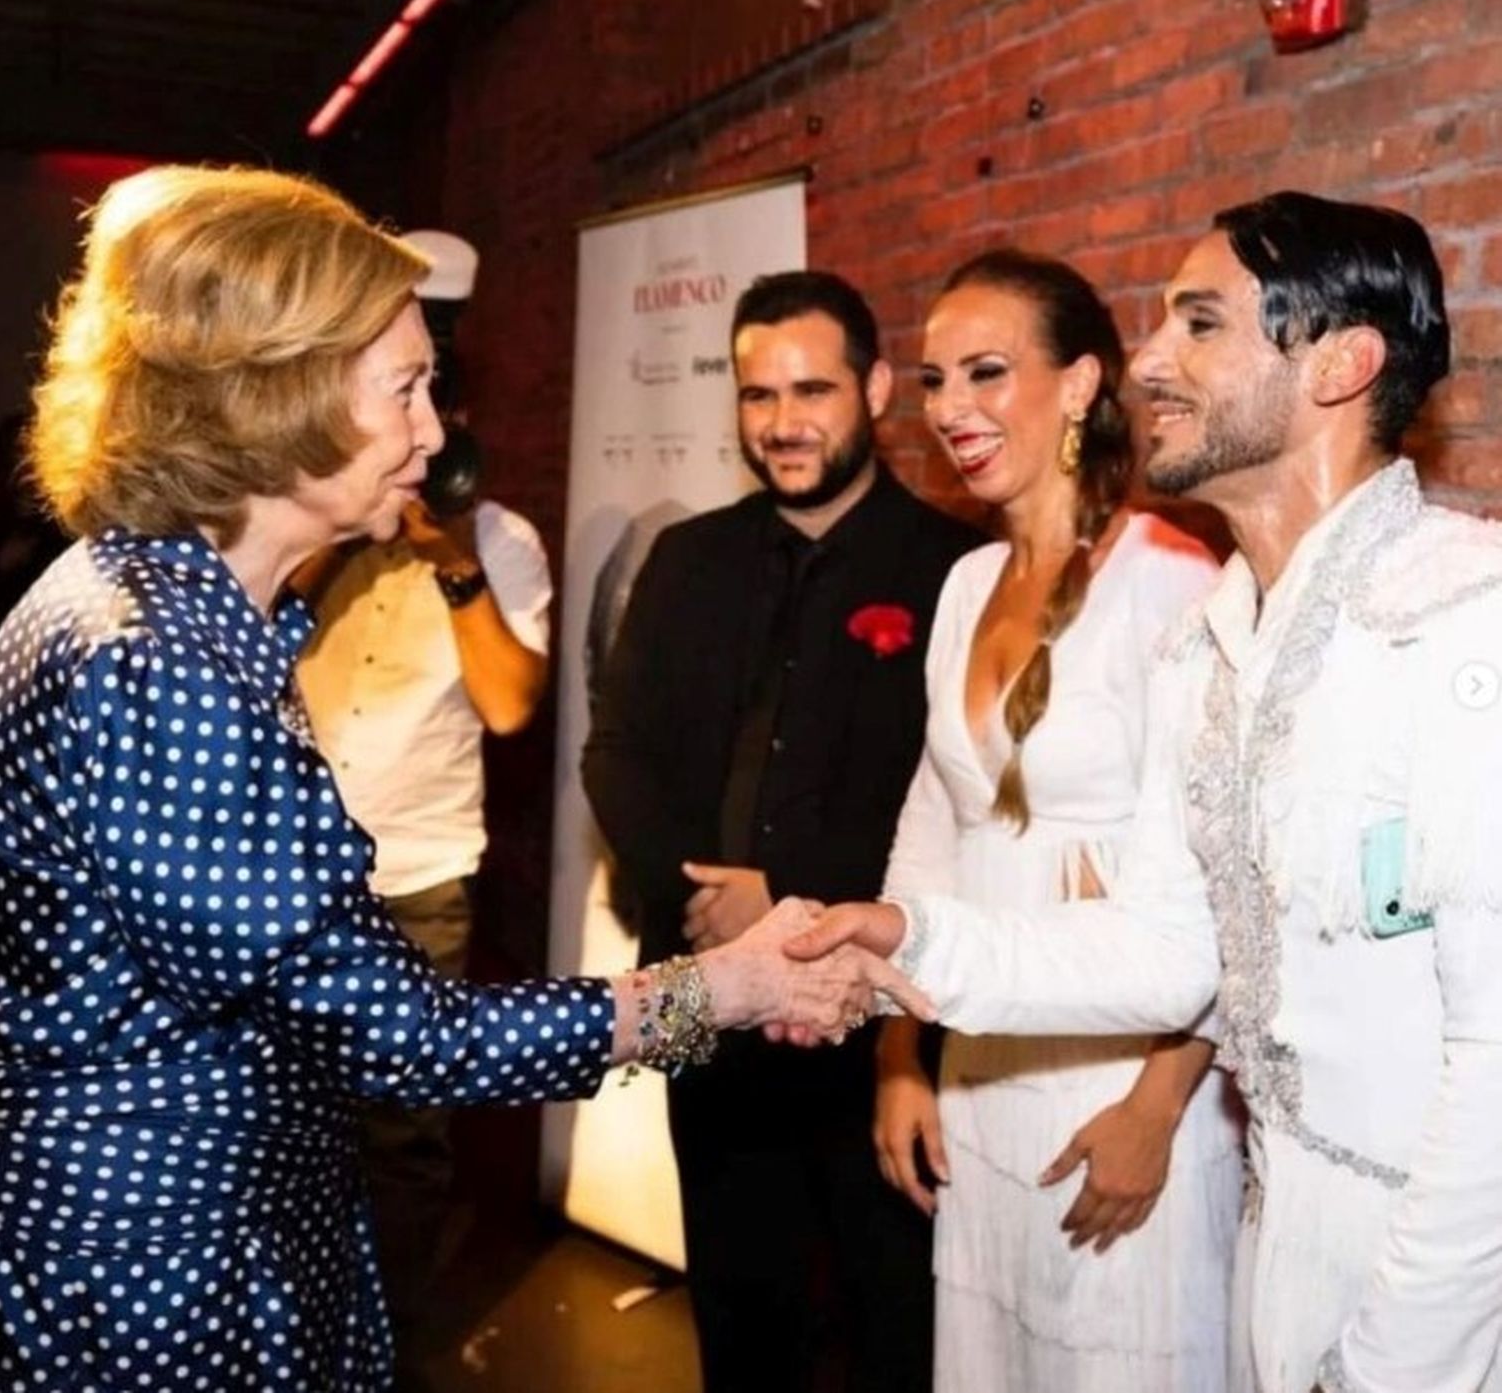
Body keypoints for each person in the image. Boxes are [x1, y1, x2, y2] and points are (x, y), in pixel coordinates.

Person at [0, 165, 923, 1393]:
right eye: (405, 389)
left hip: (192, 1246)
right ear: (277, 395)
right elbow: (405, 1037)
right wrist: (725, 988)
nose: (435, 434)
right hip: (148, 1288)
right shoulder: (158, 661)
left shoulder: (172, 610)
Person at [790, 192, 1502, 1393]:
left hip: (1437, 1293)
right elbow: (1168, 953)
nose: (1148, 363)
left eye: (1199, 325)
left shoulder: (1463, 616)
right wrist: (907, 941)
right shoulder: (1210, 644)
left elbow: (1493, 1071)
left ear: (1340, 365)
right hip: (1275, 1247)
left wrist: (1389, 1364)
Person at [583, 270, 983, 1393]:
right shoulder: (685, 559)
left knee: (890, 1319)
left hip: (878, 1021)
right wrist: (707, 900)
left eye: (812, 391)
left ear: (877, 389)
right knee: (735, 1308)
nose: (782, 421)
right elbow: (615, 753)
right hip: (703, 997)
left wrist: (787, 896)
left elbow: (948, 800)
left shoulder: (954, 569)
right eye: (758, 395)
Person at [875, 250, 1242, 1392]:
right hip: (981, 1067)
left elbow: (1229, 880)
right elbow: (932, 824)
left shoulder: (1170, 578)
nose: (952, 409)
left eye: (986, 371)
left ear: (1080, 383)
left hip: (1122, 1079)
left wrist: (1159, 1106)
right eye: (934, 381)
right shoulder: (963, 584)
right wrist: (899, 1052)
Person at [291, 228, 552, 1387]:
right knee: (289, 1124)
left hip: (419, 878)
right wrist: (343, 539)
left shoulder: (501, 544)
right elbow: (249, 638)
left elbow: (509, 704)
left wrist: (449, 557)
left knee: (403, 1140)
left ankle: (381, 1349)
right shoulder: (315, 530)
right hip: (294, 876)